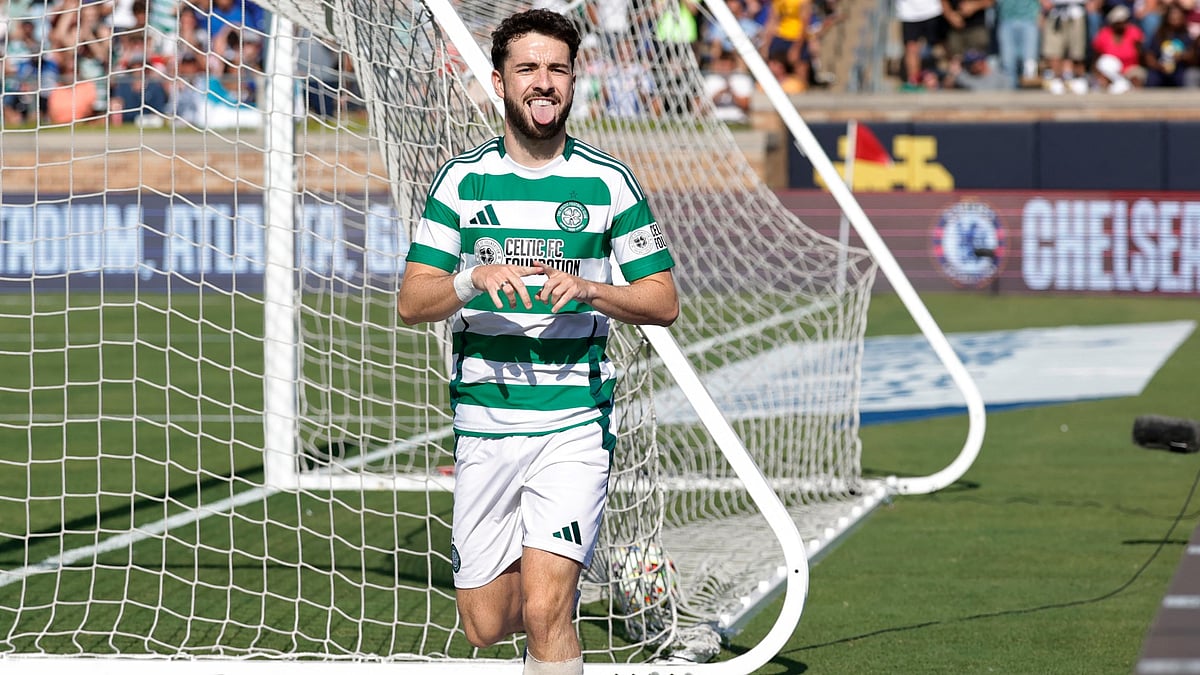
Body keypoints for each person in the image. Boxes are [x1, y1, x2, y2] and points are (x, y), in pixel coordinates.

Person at [396, 9, 679, 675]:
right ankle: (579, 555)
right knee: (485, 624)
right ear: (500, 82)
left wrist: (589, 290)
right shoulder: (462, 182)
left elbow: (662, 300)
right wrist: (471, 278)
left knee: (551, 610)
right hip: (484, 427)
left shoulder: (608, 181)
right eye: (528, 68)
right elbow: (413, 301)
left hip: (573, 425)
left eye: (557, 68)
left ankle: (565, 560)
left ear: (574, 81)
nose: (544, 82)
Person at [895, 0, 946, 88]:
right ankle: (914, 82)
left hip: (933, 10)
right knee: (911, 47)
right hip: (909, 13)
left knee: (941, 44)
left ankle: (949, 78)